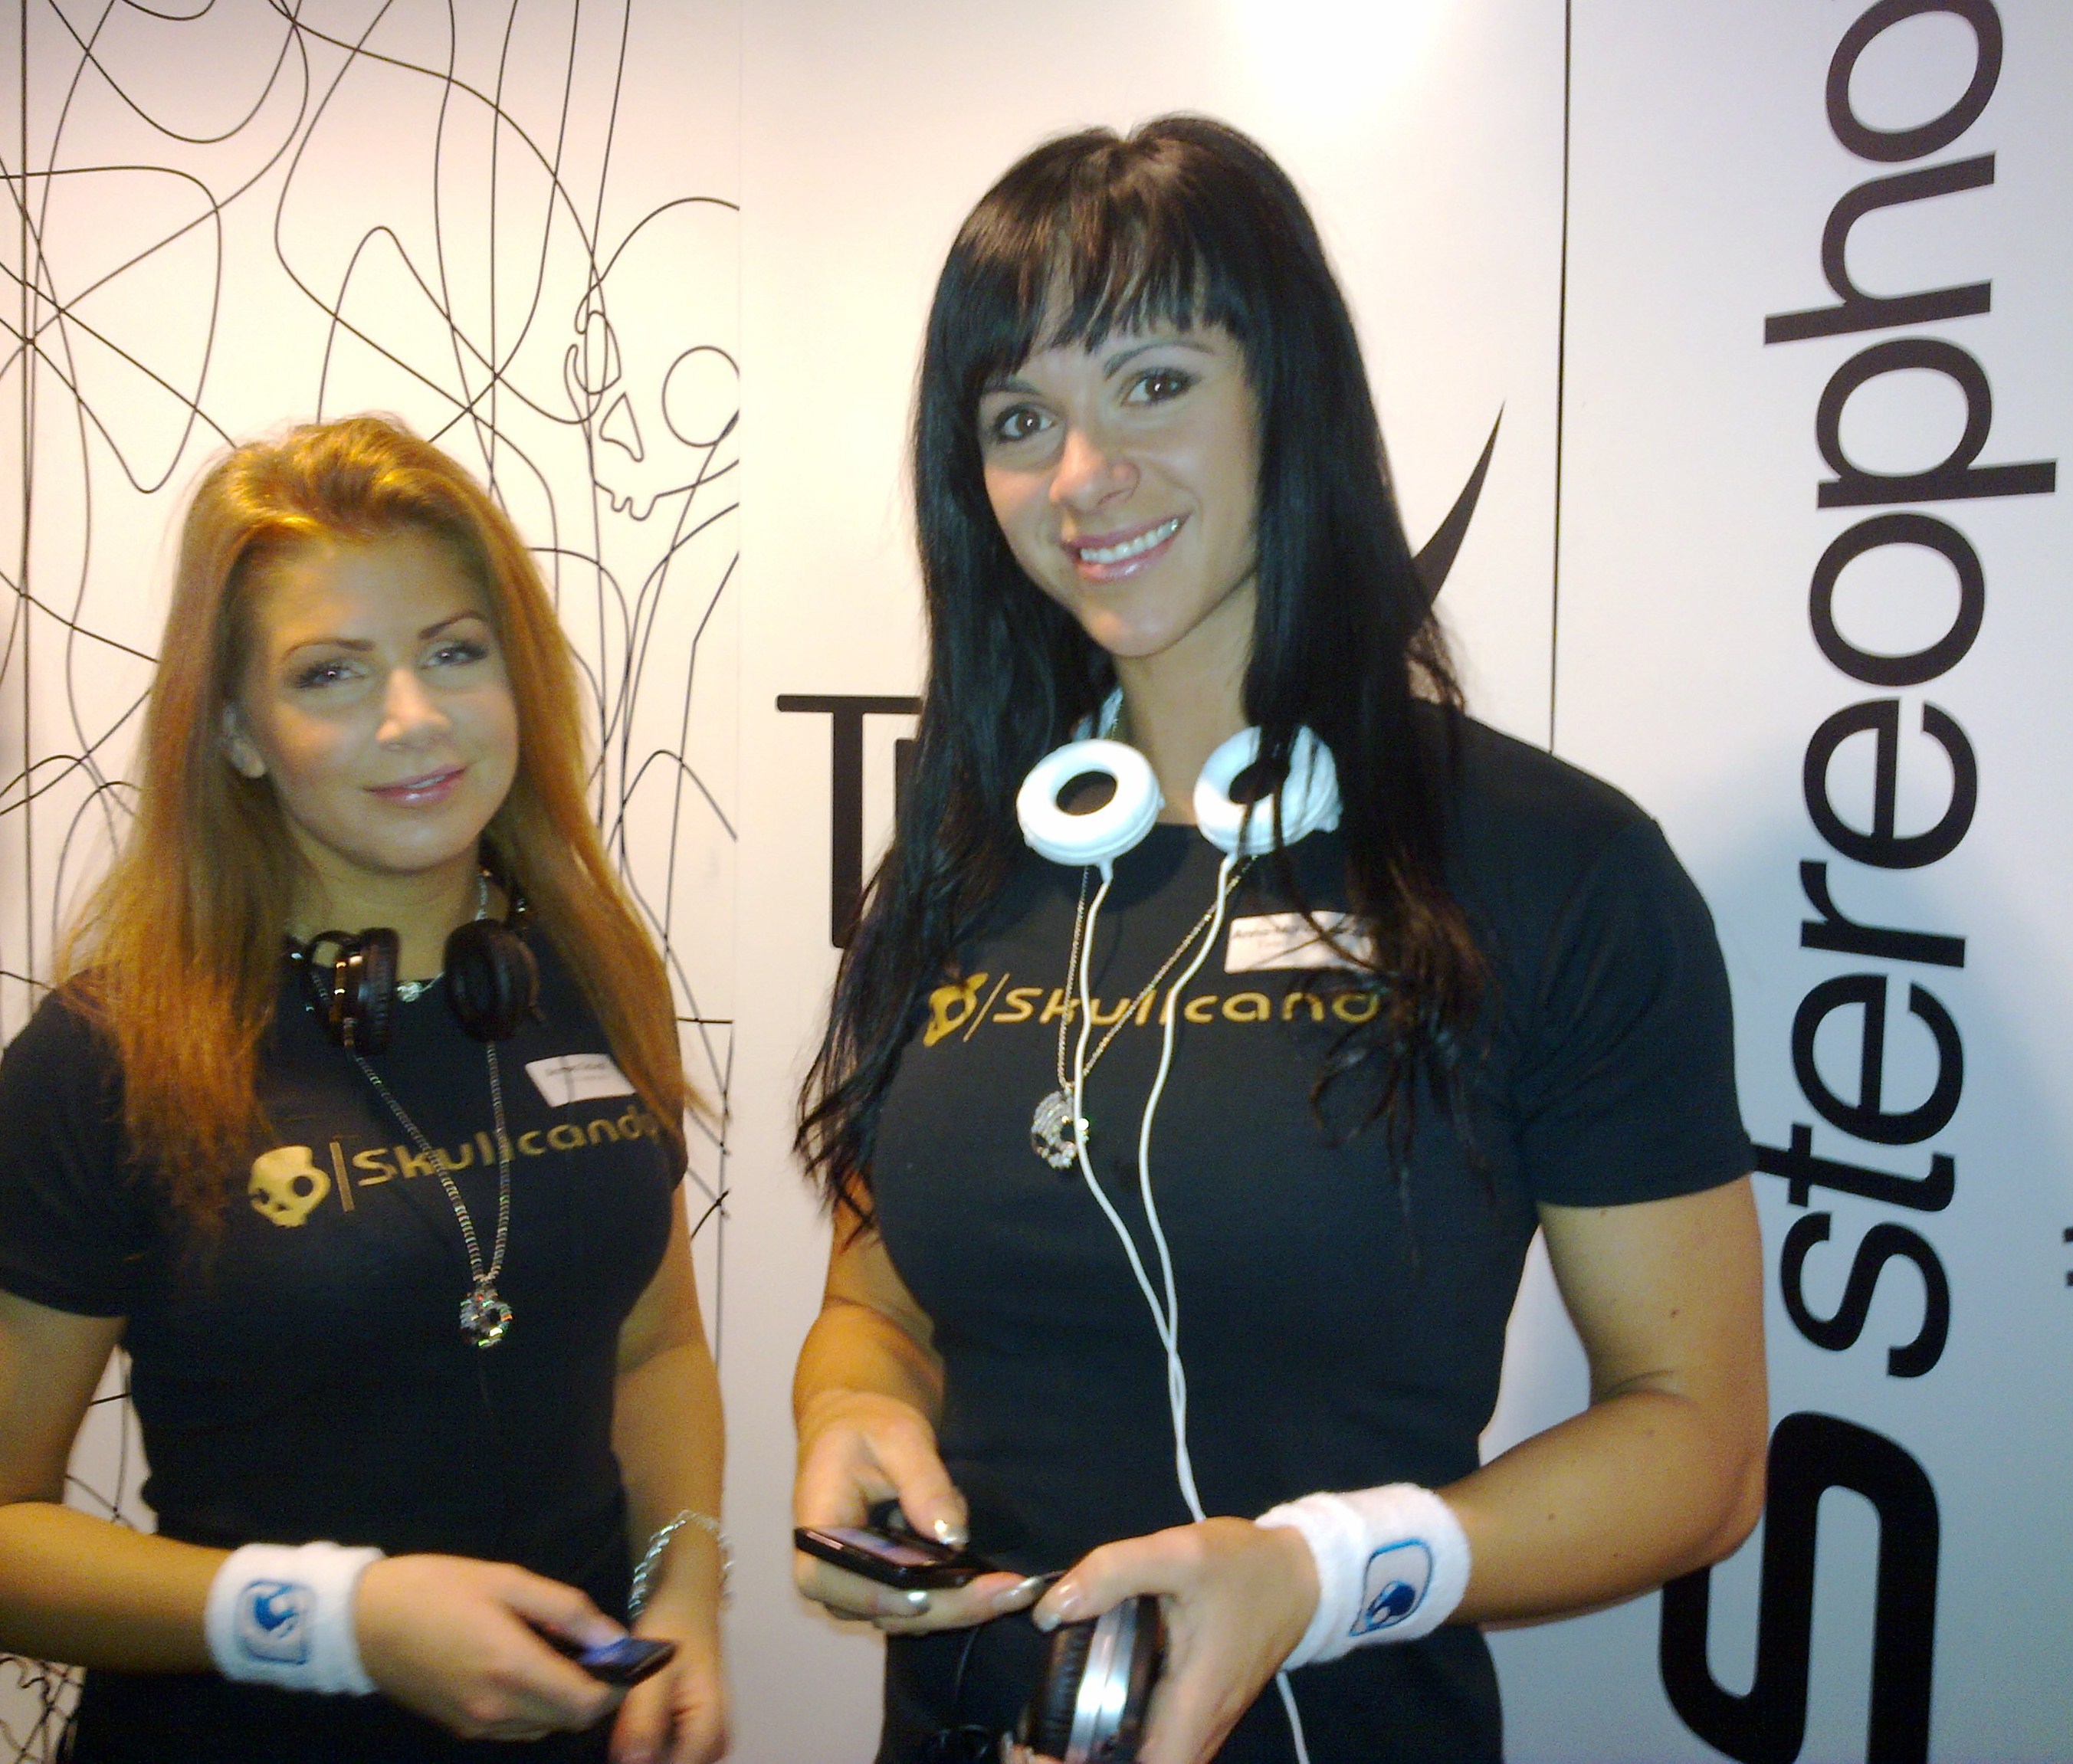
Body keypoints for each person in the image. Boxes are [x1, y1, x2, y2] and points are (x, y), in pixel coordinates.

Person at [790, 116, 1766, 1764]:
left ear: (1287, 397)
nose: (1081, 474)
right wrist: (852, 1405)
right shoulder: (957, 867)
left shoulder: (1550, 868)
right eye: (1020, 417)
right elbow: (873, 1296)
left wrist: (1324, 1572)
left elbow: (1700, 1445)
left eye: (1153, 383)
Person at [0, 417, 727, 1762]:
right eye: (330, 673)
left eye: (454, 651)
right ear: (237, 730)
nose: (415, 718)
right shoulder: (102, 1058)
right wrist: (343, 1619)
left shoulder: (584, 977)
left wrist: (681, 1588)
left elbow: (655, 1345)